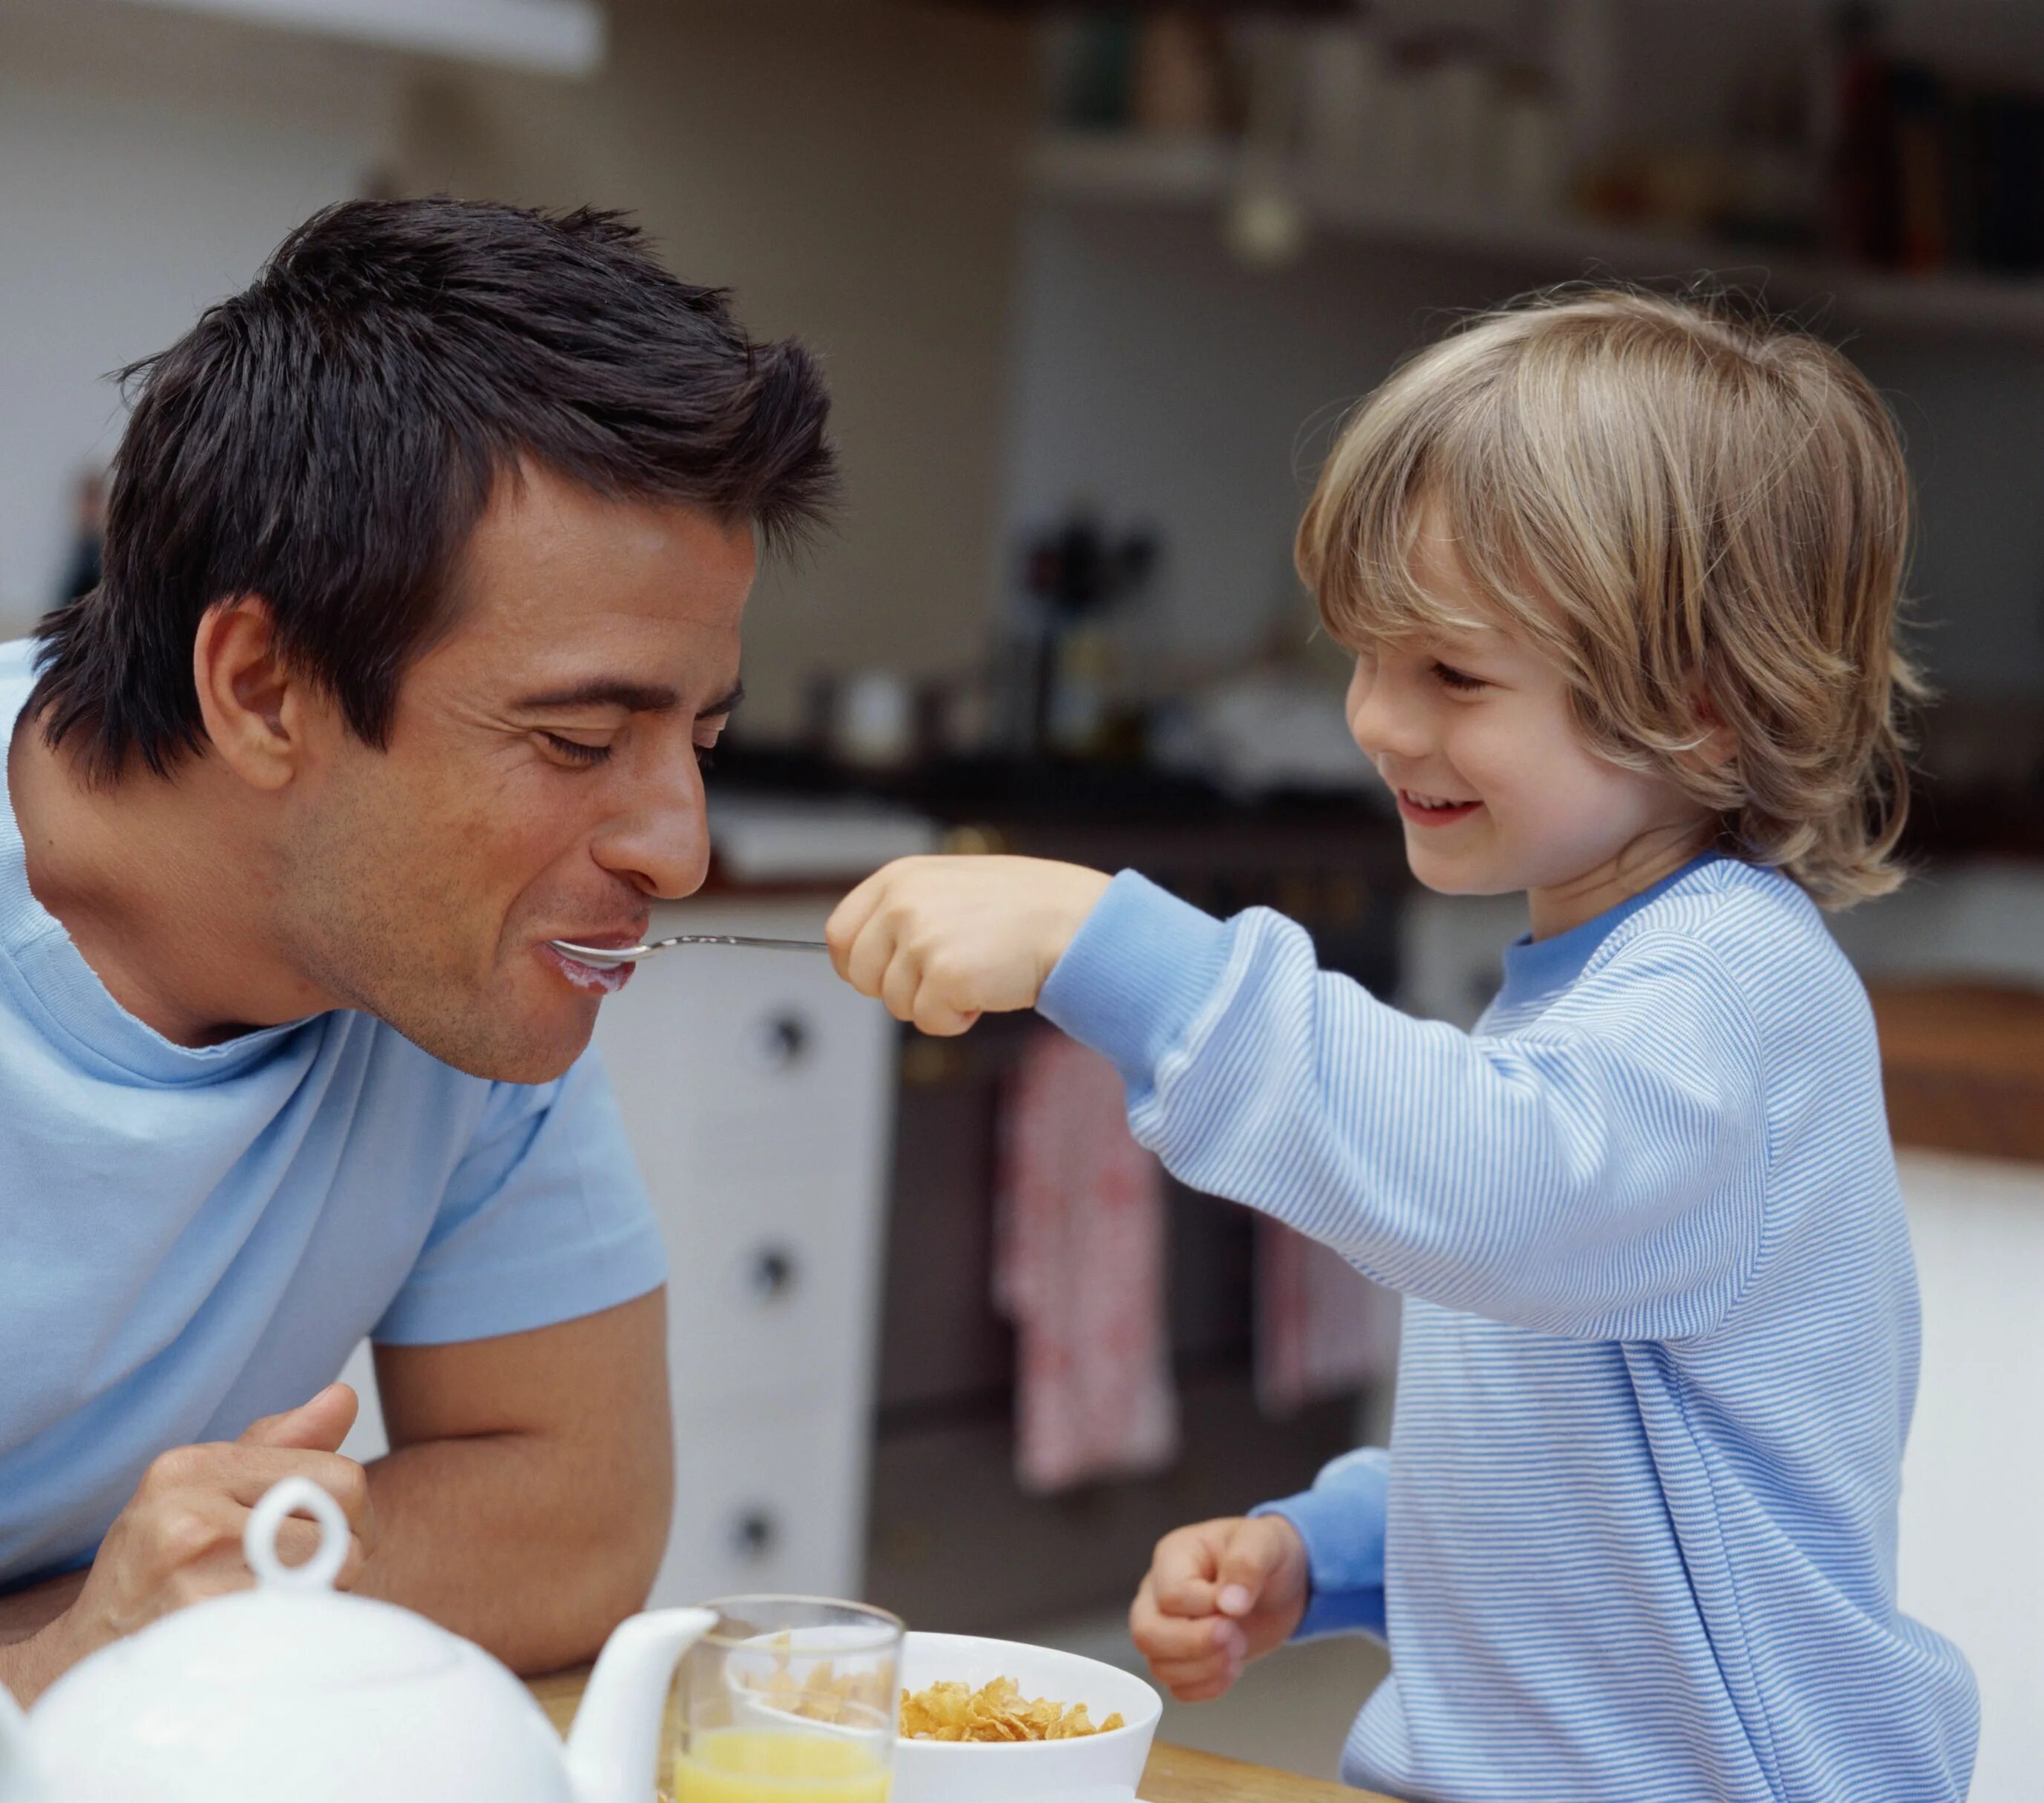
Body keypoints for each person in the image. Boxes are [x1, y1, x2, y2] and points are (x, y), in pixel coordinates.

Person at [827, 290, 1978, 1802]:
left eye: (1452, 675)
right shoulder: (1601, 982)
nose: (1375, 719)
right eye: (1365, 657)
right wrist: (1341, 1548)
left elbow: (1490, 1181)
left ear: (1696, 711)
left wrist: (1097, 942)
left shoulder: (1729, 993)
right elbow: (1577, 1435)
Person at [0, 196, 832, 1797]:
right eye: (579, 743)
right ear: (260, 688)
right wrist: (50, 1676)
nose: (678, 851)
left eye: (697, 739)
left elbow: (577, 1520)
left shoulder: (461, 960)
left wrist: (153, 1632)